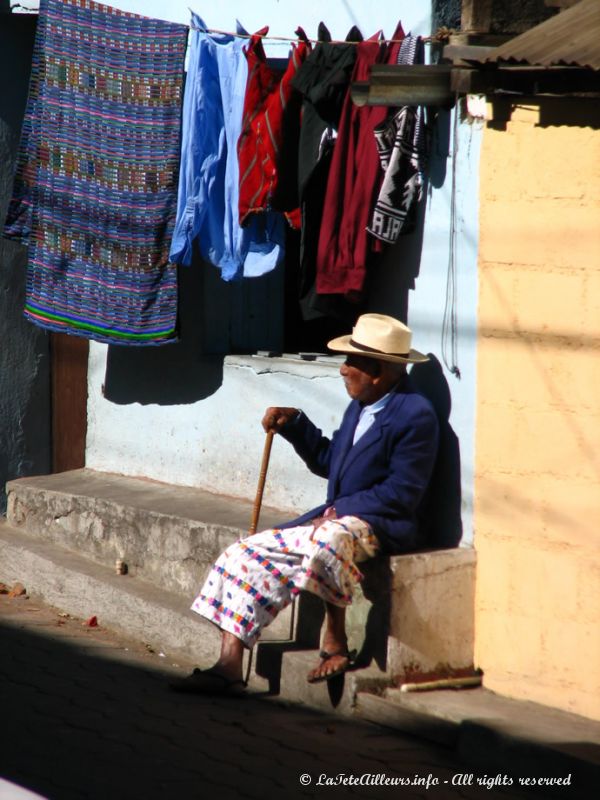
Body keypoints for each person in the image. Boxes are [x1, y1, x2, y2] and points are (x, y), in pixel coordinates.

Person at [171, 313, 439, 695]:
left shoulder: (415, 416)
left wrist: (343, 509)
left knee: (329, 538)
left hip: (383, 525)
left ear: (378, 372)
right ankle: (229, 664)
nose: (343, 369)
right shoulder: (361, 405)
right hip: (338, 521)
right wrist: (297, 425)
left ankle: (336, 641)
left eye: (352, 363)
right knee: (241, 553)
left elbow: (403, 492)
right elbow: (333, 464)